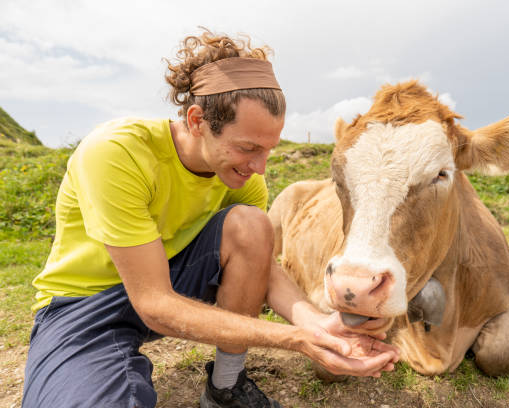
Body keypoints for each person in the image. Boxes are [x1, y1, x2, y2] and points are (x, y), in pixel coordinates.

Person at [21, 28, 399, 408]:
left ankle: (225, 387)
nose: (259, 166)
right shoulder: (117, 153)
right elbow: (154, 303)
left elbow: (261, 266)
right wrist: (297, 340)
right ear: (198, 120)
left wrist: (317, 324)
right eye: (248, 147)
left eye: (269, 149)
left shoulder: (240, 175)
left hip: (171, 281)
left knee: (252, 224)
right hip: (84, 306)